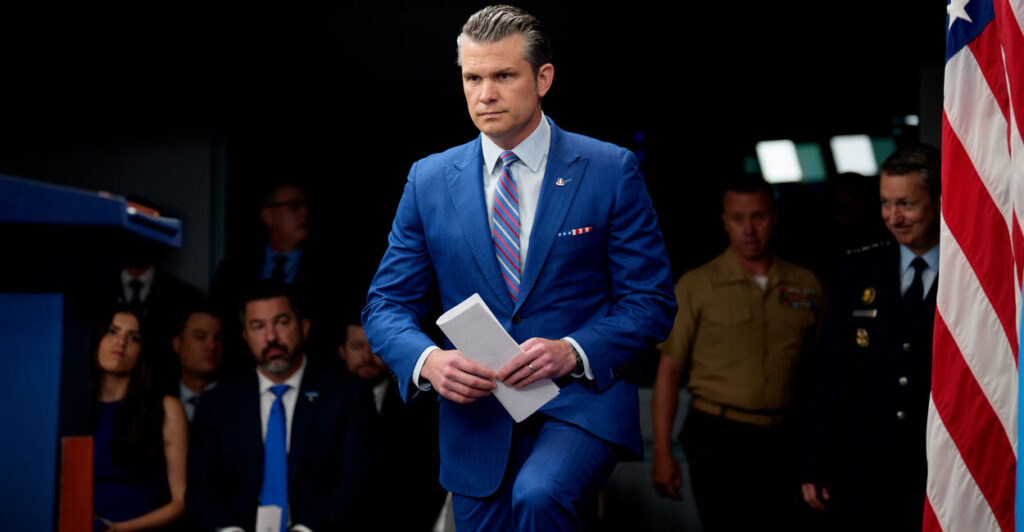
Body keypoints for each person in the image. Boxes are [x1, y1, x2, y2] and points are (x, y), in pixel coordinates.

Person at [362, 5, 677, 530]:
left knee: (539, 494)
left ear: (543, 78)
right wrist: (427, 361)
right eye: (473, 78)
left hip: (580, 404)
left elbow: (651, 303)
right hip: (476, 418)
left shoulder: (609, 169)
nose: (485, 94)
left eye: (504, 76)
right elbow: (385, 305)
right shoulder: (428, 180)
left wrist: (571, 351)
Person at [650, 174, 824, 531]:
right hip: (718, 434)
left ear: (774, 217)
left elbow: (827, 372)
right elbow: (669, 370)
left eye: (758, 217)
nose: (749, 229)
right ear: (724, 222)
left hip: (788, 435)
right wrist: (662, 452)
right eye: (738, 218)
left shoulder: (806, 284)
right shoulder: (697, 285)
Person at [800, 144, 940, 531]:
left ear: (939, 200)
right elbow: (831, 373)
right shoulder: (859, 269)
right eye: (885, 203)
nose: (893, 217)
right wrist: (815, 459)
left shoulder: (969, 277)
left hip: (943, 465)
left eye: (906, 204)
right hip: (867, 462)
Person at [187, 280, 377, 532]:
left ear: (304, 327)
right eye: (258, 327)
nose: (271, 337)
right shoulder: (217, 403)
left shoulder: (347, 396)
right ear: (245, 336)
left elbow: (357, 484)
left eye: (282, 322)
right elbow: (201, 490)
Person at [210, 183, 338, 373]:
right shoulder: (234, 268)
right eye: (293, 206)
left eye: (306, 205)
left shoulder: (330, 269)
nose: (304, 213)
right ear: (268, 215)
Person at [337, 318, 447, 531]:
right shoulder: (331, 404)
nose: (367, 357)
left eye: (374, 347)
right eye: (358, 347)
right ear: (342, 351)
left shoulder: (416, 403)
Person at [92, 308, 188, 531]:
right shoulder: (72, 405)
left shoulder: (166, 408)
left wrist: (120, 529)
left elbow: (181, 500)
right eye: (112, 331)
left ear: (142, 351)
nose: (121, 342)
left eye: (133, 338)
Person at [170, 309, 224, 422]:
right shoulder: (157, 400)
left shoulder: (238, 400)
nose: (212, 346)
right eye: (200, 337)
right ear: (177, 343)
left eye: (218, 338)